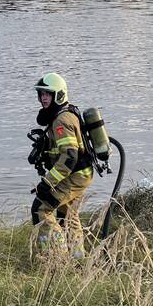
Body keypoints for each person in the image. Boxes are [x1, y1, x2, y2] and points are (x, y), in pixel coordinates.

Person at [30, 72, 94, 257]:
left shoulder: (61, 120)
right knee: (68, 215)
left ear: (58, 95)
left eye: (47, 94)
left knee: (41, 209)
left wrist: (47, 183)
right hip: (80, 173)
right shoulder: (63, 114)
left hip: (75, 174)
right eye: (41, 94)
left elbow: (69, 157)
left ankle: (55, 258)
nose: (43, 98)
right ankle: (78, 258)